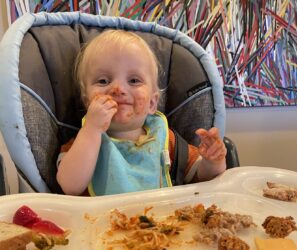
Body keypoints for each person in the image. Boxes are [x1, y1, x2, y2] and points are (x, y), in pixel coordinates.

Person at [56, 29, 227, 196]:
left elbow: (203, 179)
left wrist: (212, 161)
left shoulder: (165, 140)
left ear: (152, 103)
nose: (118, 89)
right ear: (87, 102)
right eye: (103, 81)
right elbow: (70, 187)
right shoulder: (82, 144)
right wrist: (92, 129)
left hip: (165, 222)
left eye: (133, 80)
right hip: (101, 223)